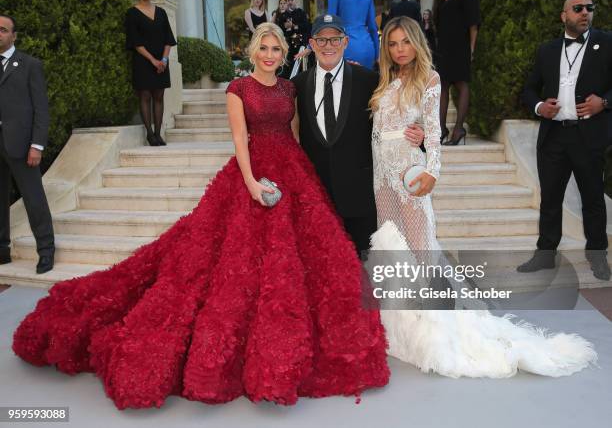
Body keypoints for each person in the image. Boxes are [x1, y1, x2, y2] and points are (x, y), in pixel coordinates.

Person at [12, 22, 390, 410]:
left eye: (276, 49)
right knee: (229, 262)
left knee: (297, 260)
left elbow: (293, 134)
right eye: (264, 48)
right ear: (253, 50)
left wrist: (300, 182)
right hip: (251, 173)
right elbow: (240, 139)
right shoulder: (237, 89)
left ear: (285, 54)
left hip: (290, 173)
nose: (270, 55)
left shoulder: (290, 87)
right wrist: (251, 182)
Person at [369, 16, 598, 379]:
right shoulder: (384, 80)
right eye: (393, 44)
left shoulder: (429, 79)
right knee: (392, 251)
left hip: (410, 178)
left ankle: (437, 337)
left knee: (420, 251)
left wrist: (432, 171)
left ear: (417, 43)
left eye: (405, 42)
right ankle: (401, 333)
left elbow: (432, 130)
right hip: (381, 180)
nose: (399, 50)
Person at [292, 14, 425, 254]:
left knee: (366, 275)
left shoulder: (370, 81)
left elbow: (398, 116)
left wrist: (420, 133)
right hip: (317, 199)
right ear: (311, 44)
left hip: (361, 200)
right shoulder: (297, 86)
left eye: (335, 39)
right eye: (322, 40)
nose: (328, 46)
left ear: (345, 42)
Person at [519, 0, 612, 281]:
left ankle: (598, 258)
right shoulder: (547, 50)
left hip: (588, 135)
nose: (585, 13)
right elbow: (528, 89)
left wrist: (604, 103)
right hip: (554, 136)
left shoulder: (607, 43)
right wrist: (539, 107)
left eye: (589, 8)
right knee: (550, 200)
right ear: (564, 16)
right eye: (578, 8)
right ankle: (545, 255)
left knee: (593, 200)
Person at [0, 13, 55, 274]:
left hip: (22, 145)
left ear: (14, 35)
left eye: (2, 29)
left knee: (34, 199)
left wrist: (37, 145)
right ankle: (2, 251)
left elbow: (41, 109)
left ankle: (46, 250)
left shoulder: (30, 65)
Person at [125, 0, 177, 146]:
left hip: (162, 62)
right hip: (143, 61)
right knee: (145, 96)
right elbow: (135, 42)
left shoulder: (161, 12)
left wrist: (164, 60)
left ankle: (158, 134)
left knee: (159, 96)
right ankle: (149, 134)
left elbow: (169, 39)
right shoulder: (132, 13)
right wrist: (153, 60)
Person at [434, 0, 480, 145]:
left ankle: (459, 128)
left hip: (461, 45)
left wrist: (472, 49)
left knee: (461, 83)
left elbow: (473, 23)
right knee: (443, 85)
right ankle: (441, 128)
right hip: (444, 47)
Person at [328, 0, 379, 70]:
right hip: (368, 47)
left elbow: (330, 23)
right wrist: (377, 54)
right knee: (367, 81)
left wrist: (311, 46)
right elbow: (372, 27)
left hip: (347, 47)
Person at [277, 0, 310, 78]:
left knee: (299, 64)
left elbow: (307, 26)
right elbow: (279, 27)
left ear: (296, 1)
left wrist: (294, 26)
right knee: (287, 63)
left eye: (292, 0)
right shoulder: (284, 14)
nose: (290, 2)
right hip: (288, 43)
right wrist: (284, 26)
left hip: (300, 43)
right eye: (288, 1)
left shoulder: (301, 12)